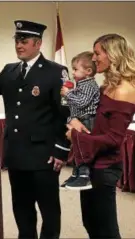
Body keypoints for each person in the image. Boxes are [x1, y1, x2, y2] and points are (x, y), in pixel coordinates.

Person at [0, 20, 70, 239]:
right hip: (17, 153)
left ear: (37, 44)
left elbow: (64, 114)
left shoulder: (56, 72)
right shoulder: (10, 71)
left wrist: (61, 149)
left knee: (49, 209)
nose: (19, 45)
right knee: (22, 207)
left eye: (24, 41)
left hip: (44, 154)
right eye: (17, 40)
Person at [65, 33, 135, 239]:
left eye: (97, 53)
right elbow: (95, 122)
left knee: (106, 230)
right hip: (92, 161)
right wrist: (77, 123)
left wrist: (76, 137)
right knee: (90, 222)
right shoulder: (107, 86)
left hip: (105, 166)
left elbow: (114, 139)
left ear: (113, 55)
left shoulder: (124, 91)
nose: (94, 58)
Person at [59, 51, 100, 190]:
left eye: (76, 69)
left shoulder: (89, 85)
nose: (73, 72)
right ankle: (76, 173)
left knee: (83, 149)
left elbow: (82, 102)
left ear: (88, 71)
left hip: (87, 121)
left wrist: (68, 94)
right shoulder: (81, 84)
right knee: (76, 148)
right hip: (78, 120)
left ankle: (84, 176)